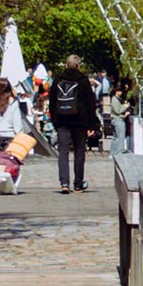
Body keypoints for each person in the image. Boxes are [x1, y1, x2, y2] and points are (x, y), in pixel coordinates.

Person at [47, 52, 101, 193]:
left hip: (62, 122)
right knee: (79, 153)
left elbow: (52, 102)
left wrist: (55, 121)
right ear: (78, 66)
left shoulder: (58, 80)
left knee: (63, 152)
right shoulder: (83, 80)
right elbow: (91, 104)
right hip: (80, 122)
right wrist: (92, 125)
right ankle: (78, 184)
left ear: (66, 65)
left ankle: (64, 183)